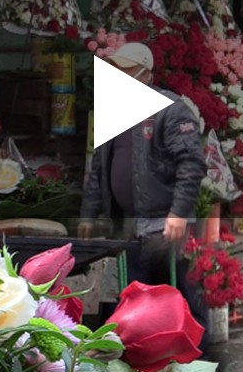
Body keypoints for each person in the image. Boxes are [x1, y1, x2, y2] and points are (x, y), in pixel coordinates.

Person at [80, 43, 210, 334]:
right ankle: (144, 353)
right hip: (127, 224)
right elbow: (98, 169)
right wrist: (88, 215)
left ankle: (197, 349)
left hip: (163, 222)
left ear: (143, 73)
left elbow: (191, 164)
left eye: (124, 70)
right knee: (134, 293)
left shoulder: (171, 111)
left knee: (176, 290)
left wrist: (178, 213)